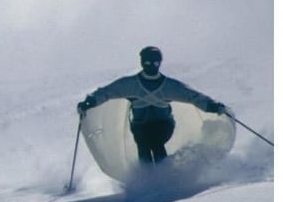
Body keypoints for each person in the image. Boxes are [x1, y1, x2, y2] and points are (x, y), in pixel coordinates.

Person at [76, 46, 229, 165]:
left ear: (160, 63)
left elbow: (192, 96)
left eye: (155, 62)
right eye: (148, 62)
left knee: (155, 142)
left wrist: (212, 106)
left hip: (163, 125)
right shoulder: (130, 85)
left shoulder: (169, 86)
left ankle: (163, 176)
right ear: (142, 63)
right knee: (143, 145)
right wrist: (89, 102)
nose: (151, 66)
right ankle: (148, 180)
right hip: (140, 126)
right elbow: (107, 92)